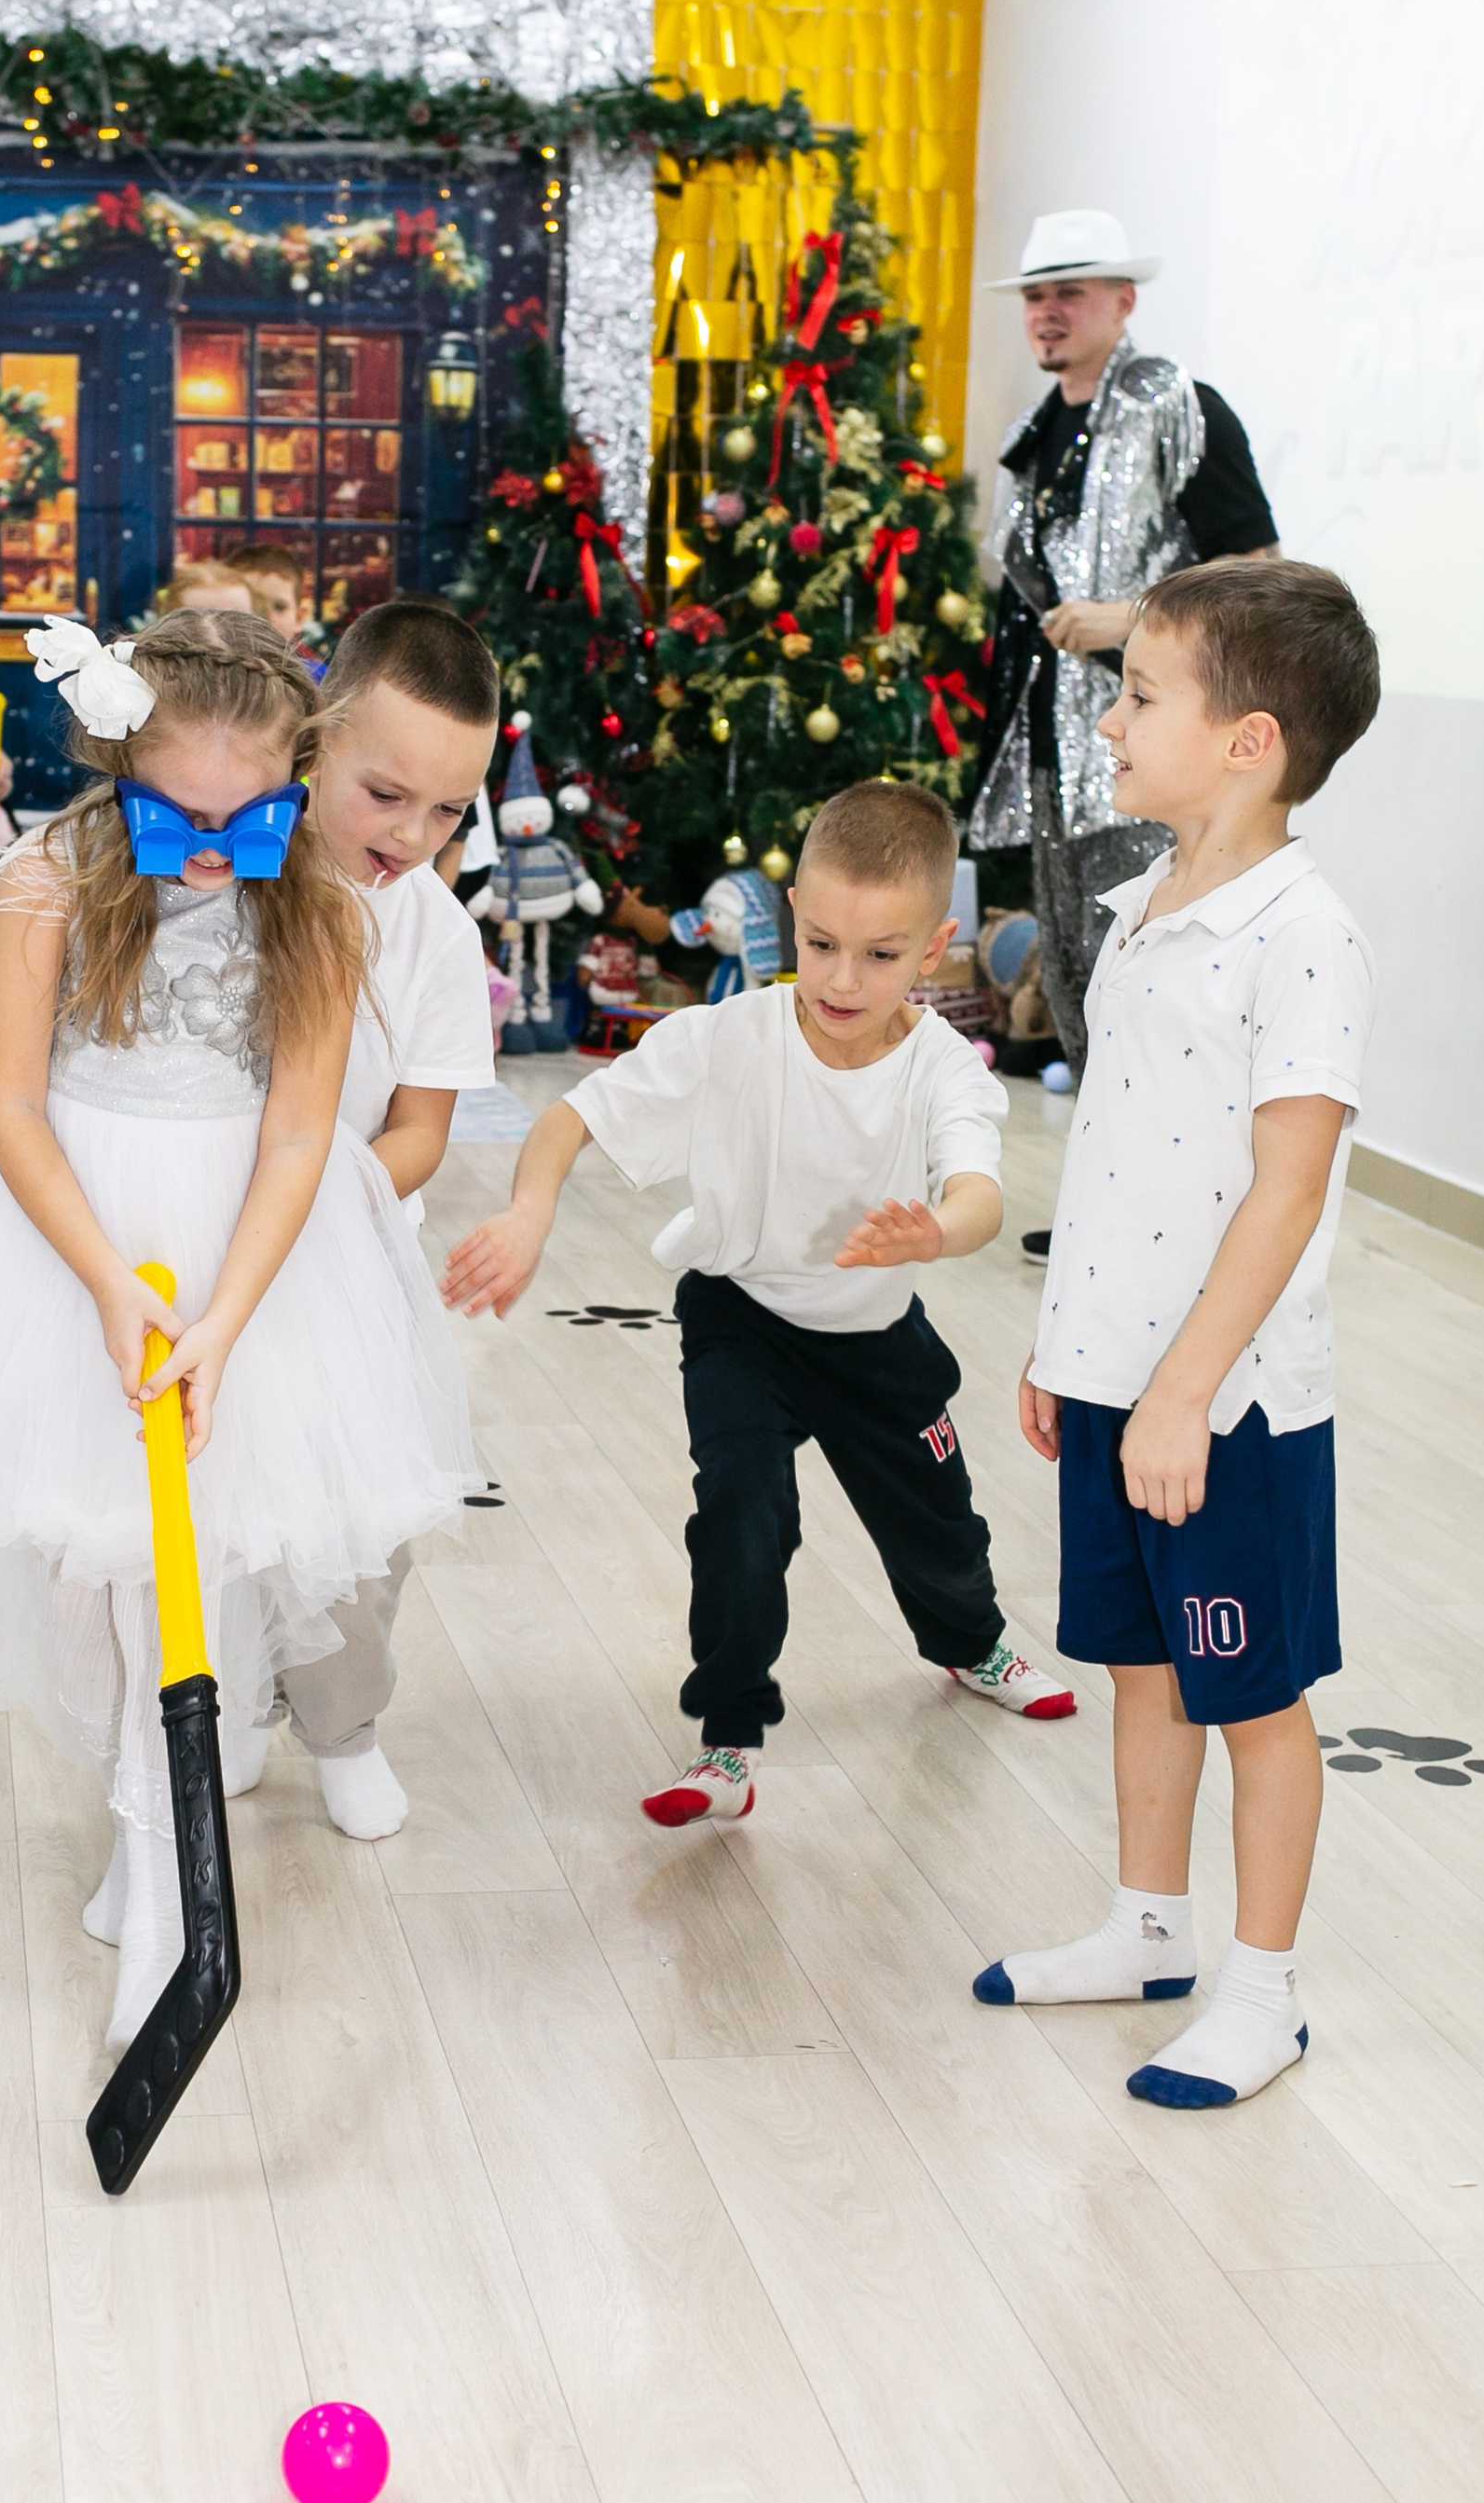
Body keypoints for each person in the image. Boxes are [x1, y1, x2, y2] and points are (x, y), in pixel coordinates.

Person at [0, 609, 478, 2046]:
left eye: (251, 819)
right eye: (178, 815)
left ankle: (172, 1836)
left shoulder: (315, 899)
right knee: (84, 1558)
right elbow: (7, 1103)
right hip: (67, 1233)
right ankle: (140, 1804)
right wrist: (114, 1285)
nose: (208, 849)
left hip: (250, 1246)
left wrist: (226, 1321)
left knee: (208, 1554)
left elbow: (304, 1135)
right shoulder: (51, 873)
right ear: (118, 770)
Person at [444, 781, 1075, 1825]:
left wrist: (936, 1232)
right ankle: (726, 1742)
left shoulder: (941, 1072)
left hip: (876, 1337)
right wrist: (526, 1217)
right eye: (820, 941)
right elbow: (574, 1120)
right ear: (791, 911)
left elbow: (978, 1193)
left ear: (933, 945)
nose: (840, 976)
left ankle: (970, 1643)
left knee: (939, 1529)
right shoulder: (727, 1036)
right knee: (741, 1514)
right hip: (741, 1319)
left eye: (879, 954)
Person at [976, 557, 1380, 2109]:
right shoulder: (1153, 900)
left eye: (1143, 692)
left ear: (1249, 740)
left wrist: (1186, 1389)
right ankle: (1147, 1926)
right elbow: (1125, 1152)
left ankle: (1260, 1988)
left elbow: (1285, 1192)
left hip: (1229, 1407)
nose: (1114, 716)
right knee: (1143, 1665)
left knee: (1250, 1696)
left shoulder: (1305, 933)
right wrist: (1065, 1349)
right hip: (1114, 1379)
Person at [970, 209, 1277, 1256]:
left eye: (1073, 291)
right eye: (1037, 295)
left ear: (1123, 302)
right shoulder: (1041, 436)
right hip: (1061, 750)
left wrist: (1136, 618)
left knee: (1155, 983)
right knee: (1075, 977)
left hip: (1158, 758)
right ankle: (1113, 1204)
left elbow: (1262, 576)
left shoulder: (1176, 410)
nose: (1049, 311)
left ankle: (1180, 1217)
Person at [268, 597, 501, 1838]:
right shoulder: (228, 876)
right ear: (313, 740)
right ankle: (219, 1705)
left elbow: (420, 1131)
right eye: (386, 795)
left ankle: (340, 1720)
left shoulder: (436, 933)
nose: (416, 834)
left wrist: (318, 1195)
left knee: (363, 1521)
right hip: (200, 1256)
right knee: (211, 1512)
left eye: (450, 810)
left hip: (350, 1262)